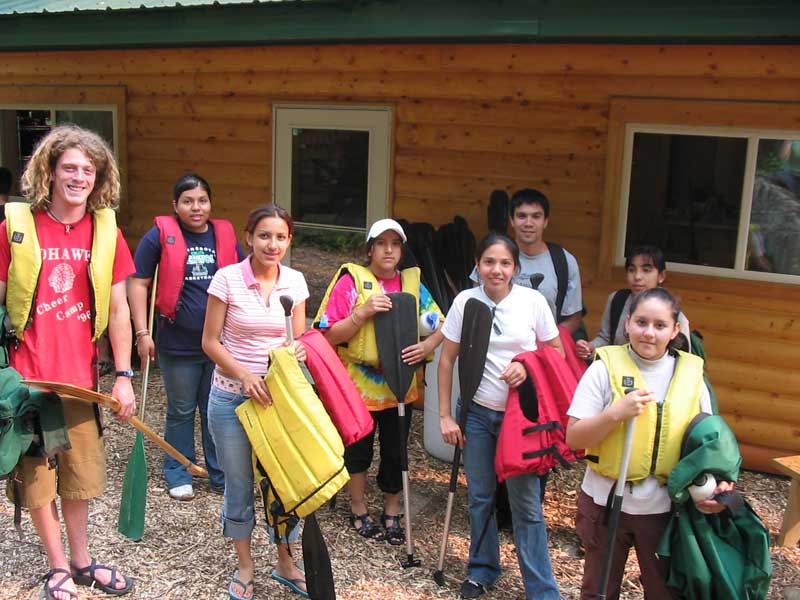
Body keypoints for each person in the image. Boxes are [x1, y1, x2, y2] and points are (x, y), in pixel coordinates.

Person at [0, 125, 136, 599]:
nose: (78, 177)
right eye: (69, 168)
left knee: (79, 479)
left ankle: (81, 562)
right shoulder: (16, 228)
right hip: (29, 381)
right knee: (38, 481)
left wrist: (123, 375)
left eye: (87, 170)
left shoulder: (106, 233)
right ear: (50, 173)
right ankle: (57, 566)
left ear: (98, 178)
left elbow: (118, 309)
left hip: (80, 382)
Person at [566, 288, 731, 600]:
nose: (649, 333)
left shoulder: (691, 375)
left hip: (663, 508)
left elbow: (708, 446)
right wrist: (614, 414)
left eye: (659, 325)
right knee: (597, 592)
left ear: (675, 330)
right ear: (628, 323)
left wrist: (716, 486)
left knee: (663, 592)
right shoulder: (603, 368)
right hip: (604, 504)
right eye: (641, 322)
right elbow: (574, 437)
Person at [439, 233, 564, 600]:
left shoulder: (532, 302)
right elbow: (447, 360)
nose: (496, 270)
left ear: (515, 267)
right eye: (489, 262)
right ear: (477, 265)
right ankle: (481, 570)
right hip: (476, 414)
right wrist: (446, 416)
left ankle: (542, 590)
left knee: (526, 505)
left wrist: (527, 366)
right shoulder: (466, 301)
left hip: (520, 418)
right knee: (480, 496)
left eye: (505, 263)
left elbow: (555, 352)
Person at [202, 204, 309, 600]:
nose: (272, 244)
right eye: (265, 235)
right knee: (239, 484)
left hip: (276, 402)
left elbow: (296, 341)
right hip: (230, 400)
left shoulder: (295, 283)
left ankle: (285, 560)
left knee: (282, 483)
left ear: (289, 240)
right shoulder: (227, 279)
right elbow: (210, 341)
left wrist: (299, 353)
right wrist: (244, 376)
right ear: (249, 237)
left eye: (281, 237)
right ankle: (245, 566)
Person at [315, 218, 444, 545]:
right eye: (381, 244)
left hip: (399, 386)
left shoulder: (411, 284)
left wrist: (427, 346)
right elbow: (328, 333)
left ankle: (391, 510)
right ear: (370, 249)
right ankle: (358, 507)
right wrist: (362, 313)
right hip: (357, 388)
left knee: (395, 453)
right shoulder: (352, 282)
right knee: (358, 452)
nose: (389, 250)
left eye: (395, 244)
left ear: (401, 250)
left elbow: (443, 324)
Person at [128, 173, 244, 501]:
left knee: (217, 408)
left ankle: (220, 473)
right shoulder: (158, 236)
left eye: (202, 200)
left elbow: (243, 277)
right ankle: (179, 469)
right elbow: (138, 283)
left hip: (220, 344)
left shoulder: (223, 235)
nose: (196, 208)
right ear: (175, 205)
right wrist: (142, 332)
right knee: (181, 408)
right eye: (188, 201)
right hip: (177, 344)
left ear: (211, 203)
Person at [471, 188, 583, 333]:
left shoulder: (564, 261)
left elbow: (573, 318)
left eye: (536, 216)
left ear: (545, 221)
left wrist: (548, 342)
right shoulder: (493, 255)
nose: (528, 223)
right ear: (512, 220)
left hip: (544, 348)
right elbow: (475, 306)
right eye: (522, 216)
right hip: (497, 347)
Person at [575, 245, 690, 360]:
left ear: (661, 276)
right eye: (631, 270)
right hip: (618, 372)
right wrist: (590, 348)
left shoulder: (672, 312)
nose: (637, 276)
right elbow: (605, 338)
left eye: (646, 270)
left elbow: (683, 359)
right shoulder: (617, 300)